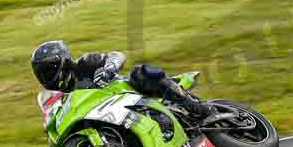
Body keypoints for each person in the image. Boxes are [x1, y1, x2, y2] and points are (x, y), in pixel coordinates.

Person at [30, 41, 213, 119]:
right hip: (114, 116)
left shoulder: (85, 64)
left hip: (134, 93)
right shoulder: (64, 97)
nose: (45, 77)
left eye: (47, 71)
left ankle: (192, 105)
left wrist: (109, 69)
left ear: (60, 63)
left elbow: (117, 55)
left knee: (138, 72)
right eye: (41, 73)